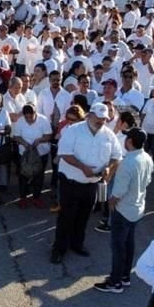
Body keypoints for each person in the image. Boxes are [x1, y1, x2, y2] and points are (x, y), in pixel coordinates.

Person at [51, 103, 122, 264]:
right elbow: (64, 153)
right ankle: (59, 249)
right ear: (89, 115)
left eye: (104, 119)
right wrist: (82, 167)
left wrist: (109, 169)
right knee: (66, 217)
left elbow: (117, 156)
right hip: (70, 182)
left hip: (92, 184)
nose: (101, 121)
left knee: (83, 217)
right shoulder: (73, 131)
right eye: (98, 117)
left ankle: (77, 244)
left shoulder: (109, 135)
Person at [94, 129, 153, 293]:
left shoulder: (127, 162)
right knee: (129, 244)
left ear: (129, 141)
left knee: (118, 247)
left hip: (123, 210)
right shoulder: (147, 158)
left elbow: (118, 192)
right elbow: (147, 181)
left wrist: (110, 204)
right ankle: (125, 276)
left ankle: (115, 282)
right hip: (137, 208)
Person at [12, 103, 52, 208]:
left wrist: (39, 140)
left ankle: (36, 197)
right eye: (27, 117)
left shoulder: (43, 120)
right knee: (23, 175)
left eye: (31, 117)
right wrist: (25, 143)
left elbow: (48, 136)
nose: (29, 119)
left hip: (41, 153)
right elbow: (16, 136)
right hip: (24, 153)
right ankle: (23, 198)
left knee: (39, 175)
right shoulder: (20, 121)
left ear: (35, 113)